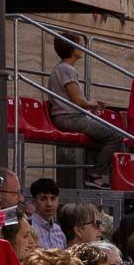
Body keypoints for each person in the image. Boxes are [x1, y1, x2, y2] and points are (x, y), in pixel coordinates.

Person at [47, 32, 123, 188]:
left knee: (104, 134)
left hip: (70, 116)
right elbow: (77, 101)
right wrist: (91, 104)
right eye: (79, 44)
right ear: (71, 47)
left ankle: (95, 174)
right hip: (70, 118)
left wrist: (90, 105)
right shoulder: (66, 70)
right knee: (115, 136)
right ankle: (95, 175)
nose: (82, 47)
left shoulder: (62, 69)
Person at [27, 178, 63, 250]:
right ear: (34, 201)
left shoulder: (60, 231)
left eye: (53, 198)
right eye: (43, 199)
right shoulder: (27, 227)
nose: (49, 204)